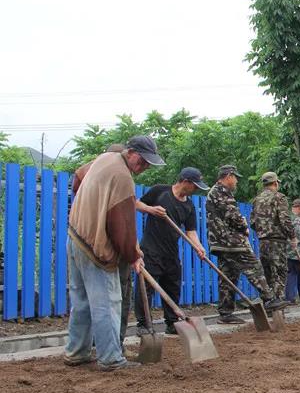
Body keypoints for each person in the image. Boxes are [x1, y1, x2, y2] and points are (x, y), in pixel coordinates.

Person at [64, 135, 163, 371]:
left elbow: (77, 178)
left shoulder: (104, 158)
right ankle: (110, 358)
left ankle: (77, 352)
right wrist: (133, 255)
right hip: (96, 246)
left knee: (82, 302)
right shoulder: (122, 176)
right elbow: (121, 226)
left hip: (76, 237)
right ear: (130, 153)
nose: (145, 167)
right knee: (107, 302)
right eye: (143, 161)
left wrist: (90, 205)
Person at [206, 165, 286, 324]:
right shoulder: (221, 192)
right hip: (231, 241)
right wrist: (244, 226)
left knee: (228, 276)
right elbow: (232, 215)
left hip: (220, 242)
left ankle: (225, 313)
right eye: (235, 177)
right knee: (254, 266)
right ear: (228, 176)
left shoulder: (215, 192)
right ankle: (269, 299)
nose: (236, 181)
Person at [133, 168, 208, 335]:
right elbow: (136, 203)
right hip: (151, 249)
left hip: (171, 251)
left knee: (173, 286)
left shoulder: (189, 205)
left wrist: (198, 246)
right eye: (195, 186)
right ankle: (143, 324)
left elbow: (191, 232)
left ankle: (172, 322)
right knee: (145, 287)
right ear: (185, 181)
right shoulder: (160, 191)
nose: (196, 189)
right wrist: (151, 210)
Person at [250, 172, 296, 301]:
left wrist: (263, 231)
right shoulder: (279, 197)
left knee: (267, 274)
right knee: (279, 273)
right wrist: (292, 237)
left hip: (263, 242)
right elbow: (284, 219)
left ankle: (268, 304)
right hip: (277, 242)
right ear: (276, 183)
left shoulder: (256, 200)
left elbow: (253, 222)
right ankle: (277, 307)